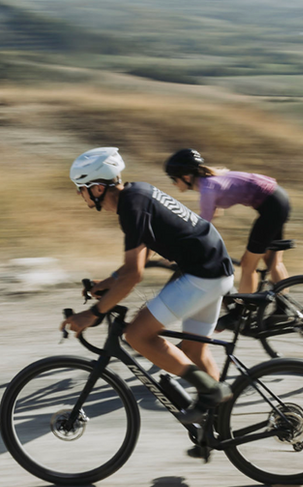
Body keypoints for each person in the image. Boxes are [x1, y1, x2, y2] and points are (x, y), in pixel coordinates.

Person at [61, 147, 234, 419]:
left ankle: (211, 391)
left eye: (80, 188)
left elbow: (134, 275)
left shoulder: (131, 207)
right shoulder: (137, 193)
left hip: (203, 275)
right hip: (216, 270)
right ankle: (215, 430)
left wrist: (93, 314)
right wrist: (109, 281)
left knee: (137, 335)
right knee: (194, 352)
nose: (78, 194)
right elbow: (141, 257)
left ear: (96, 189)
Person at [163, 148, 290, 295]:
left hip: (271, 207)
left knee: (248, 265)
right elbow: (212, 215)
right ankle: (282, 310)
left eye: (173, 179)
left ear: (186, 177)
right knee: (273, 262)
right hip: (279, 199)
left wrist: (179, 247)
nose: (173, 184)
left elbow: (202, 226)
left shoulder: (208, 189)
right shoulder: (209, 183)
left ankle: (242, 311)